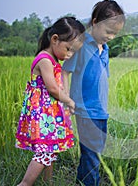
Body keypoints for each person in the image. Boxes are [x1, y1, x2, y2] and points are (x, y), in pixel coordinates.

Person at [62, 0, 125, 186]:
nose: (111, 37)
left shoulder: (104, 49)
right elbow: (65, 71)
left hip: (100, 110)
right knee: (93, 155)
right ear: (95, 22)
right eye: (108, 31)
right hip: (85, 108)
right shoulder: (80, 45)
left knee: (91, 153)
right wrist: (66, 100)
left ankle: (81, 181)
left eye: (115, 33)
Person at [15, 16, 85, 186]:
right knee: (45, 151)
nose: (69, 55)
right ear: (55, 39)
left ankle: (48, 182)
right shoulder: (45, 59)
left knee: (50, 148)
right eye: (68, 49)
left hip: (48, 113)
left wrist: (66, 98)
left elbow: (59, 85)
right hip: (42, 114)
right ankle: (25, 184)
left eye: (73, 52)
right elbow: (53, 89)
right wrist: (70, 102)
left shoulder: (54, 60)